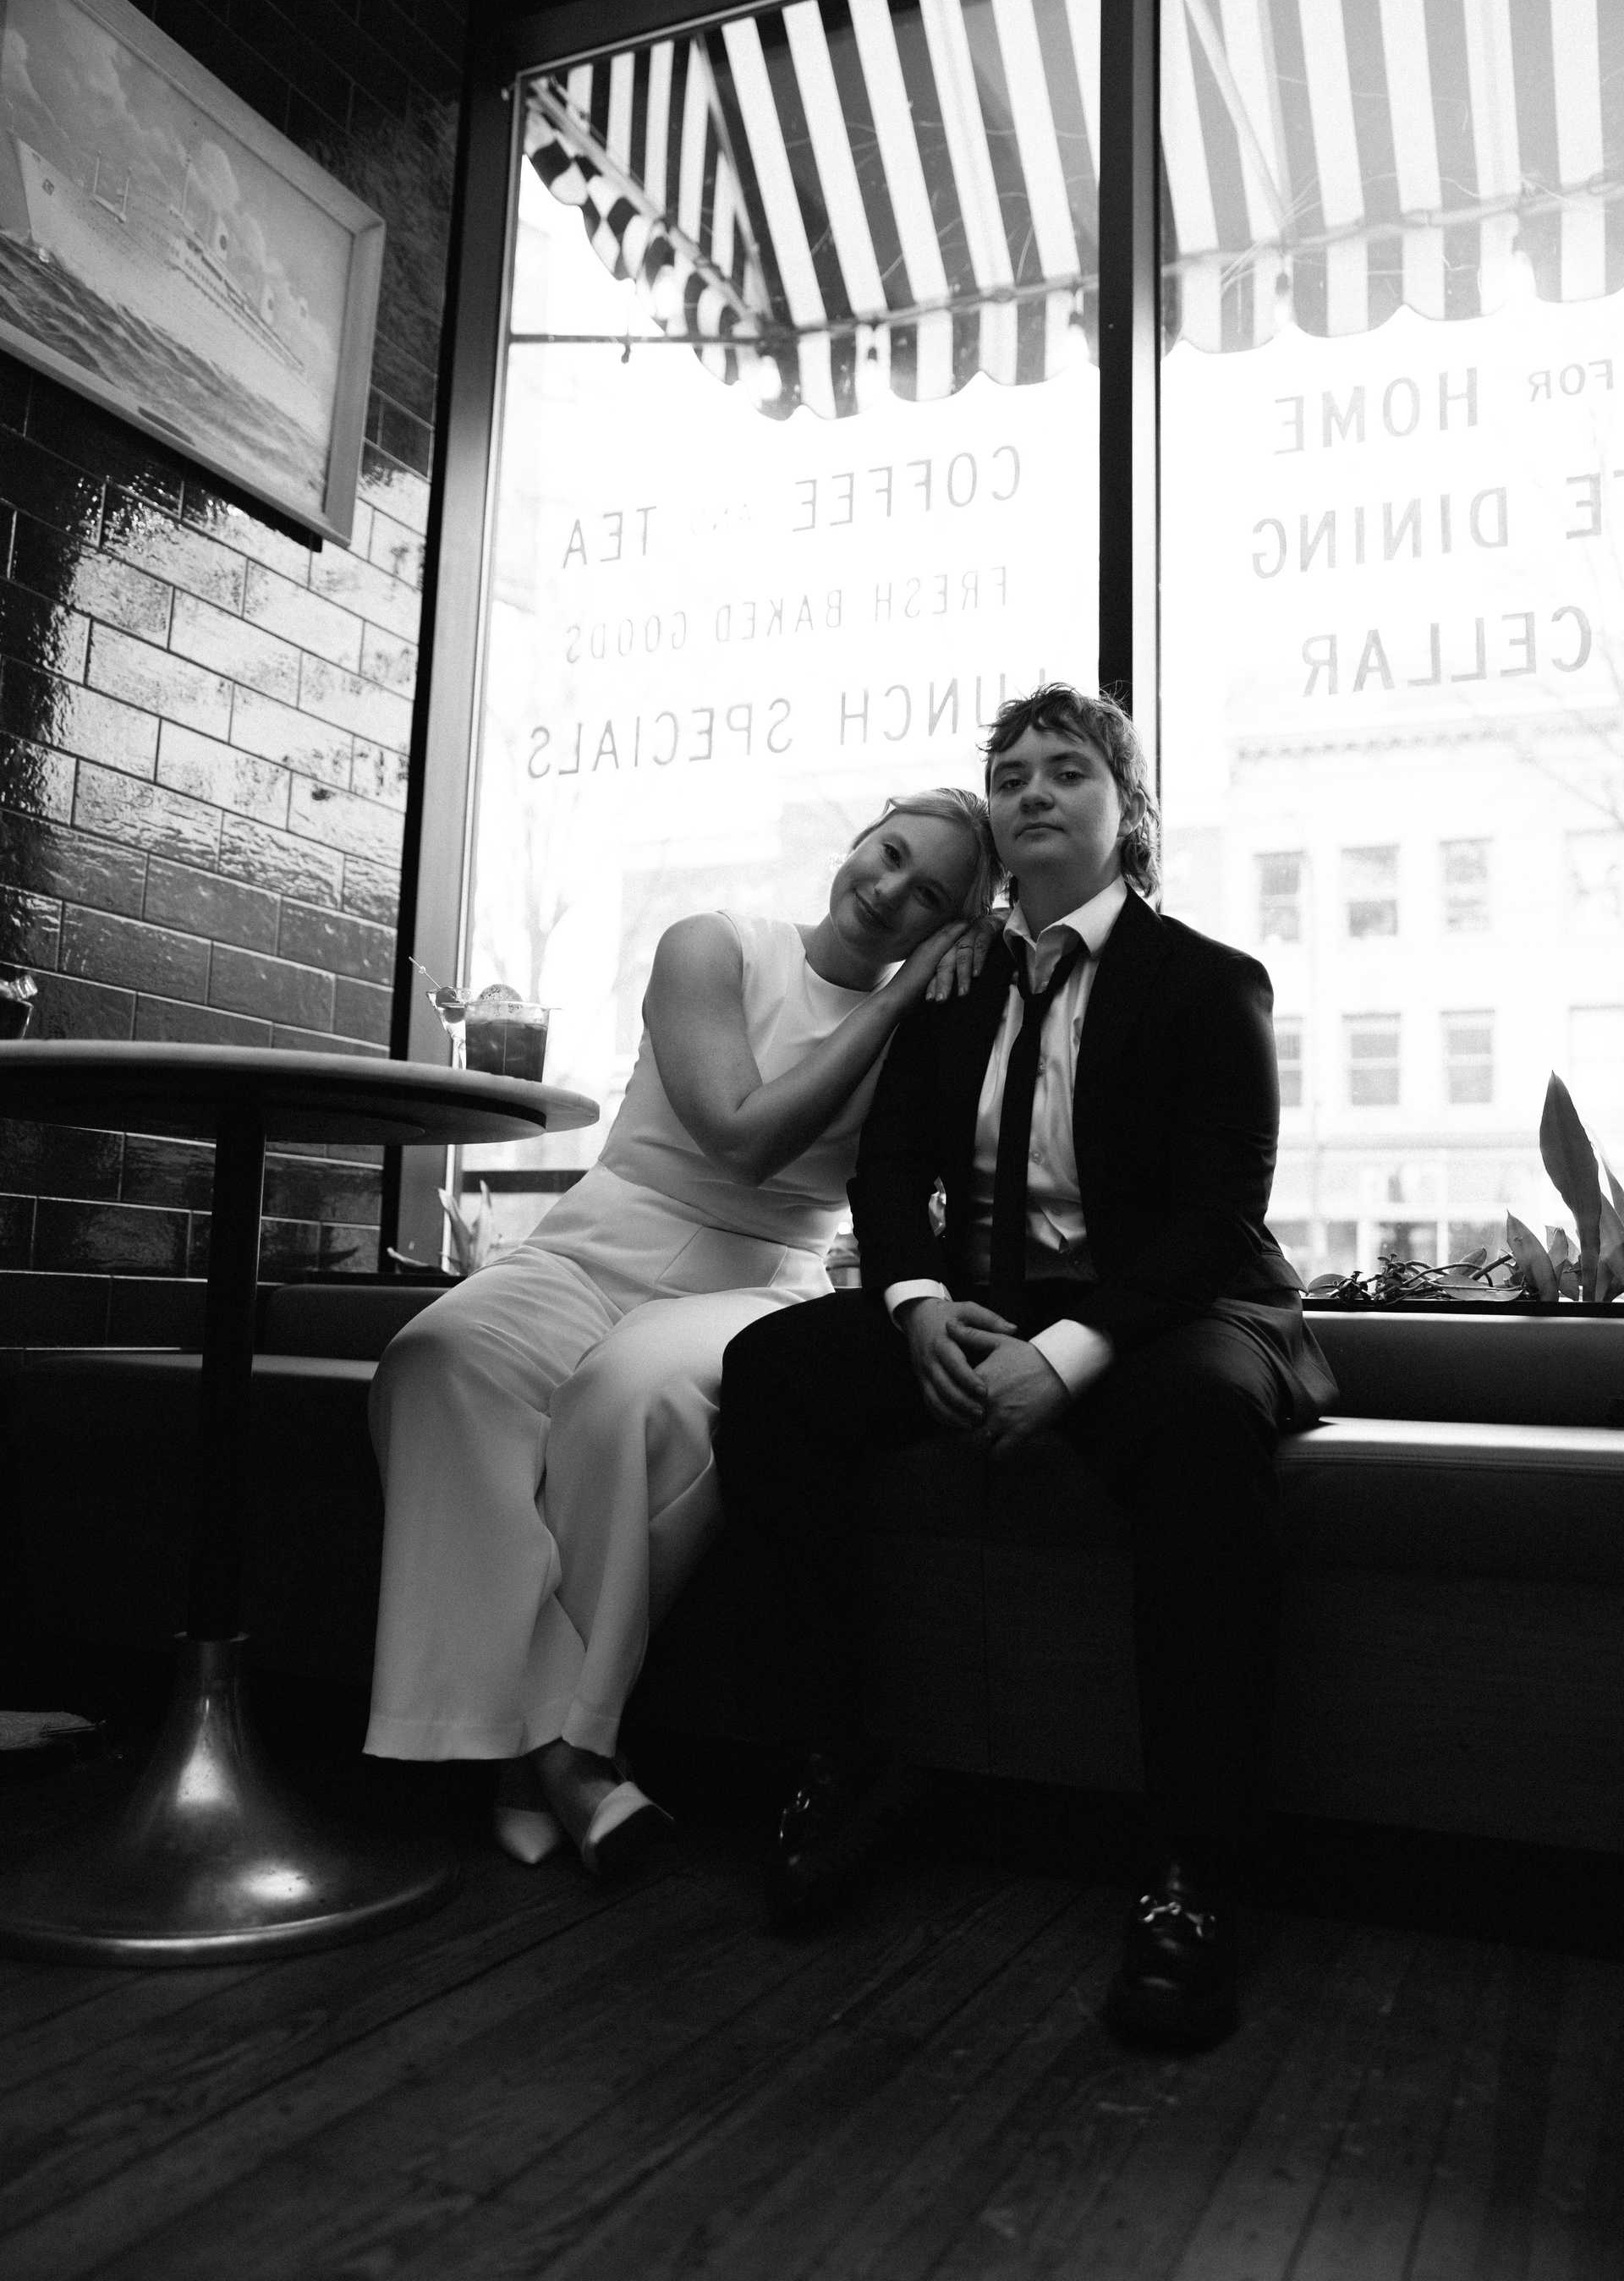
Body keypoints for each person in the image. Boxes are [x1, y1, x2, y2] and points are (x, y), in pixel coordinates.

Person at [715, 686, 1336, 2045]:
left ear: (1131, 811)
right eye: (1011, 777)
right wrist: (917, 1306)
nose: (1033, 792)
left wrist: (1066, 1357)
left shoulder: (1211, 981)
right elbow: (889, 1171)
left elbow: (1216, 1215)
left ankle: (1192, 1868)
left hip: (1176, 1309)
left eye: (1067, 771)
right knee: (774, 1370)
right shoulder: (954, 985)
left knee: (1202, 1423)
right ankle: (834, 1759)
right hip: (984, 1302)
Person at [364, 787, 999, 1877]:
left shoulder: (927, 1031)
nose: (889, 891)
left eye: (929, 898)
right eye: (889, 854)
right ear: (859, 841)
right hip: (597, 1244)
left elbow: (901, 1176)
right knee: (436, 1357)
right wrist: (900, 996)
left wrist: (929, 996)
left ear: (949, 927)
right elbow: (740, 1135)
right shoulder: (712, 946)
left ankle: (562, 1749)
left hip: (757, 1280)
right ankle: (549, 1752)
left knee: (629, 1393)